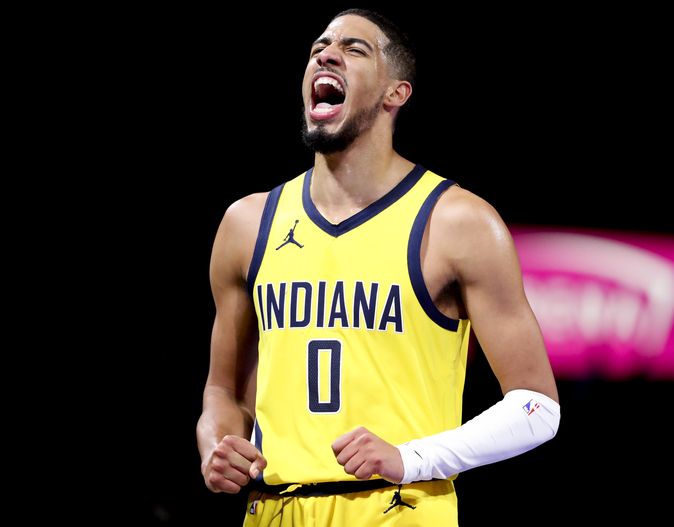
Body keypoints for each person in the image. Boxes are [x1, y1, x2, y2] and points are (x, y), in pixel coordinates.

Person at [197, 8, 560, 526]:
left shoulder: (458, 221)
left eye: (354, 48)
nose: (326, 53)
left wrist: (412, 459)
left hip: (398, 508)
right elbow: (223, 391)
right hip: (273, 511)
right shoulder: (247, 223)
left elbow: (536, 408)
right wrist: (217, 444)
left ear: (396, 93)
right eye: (319, 47)